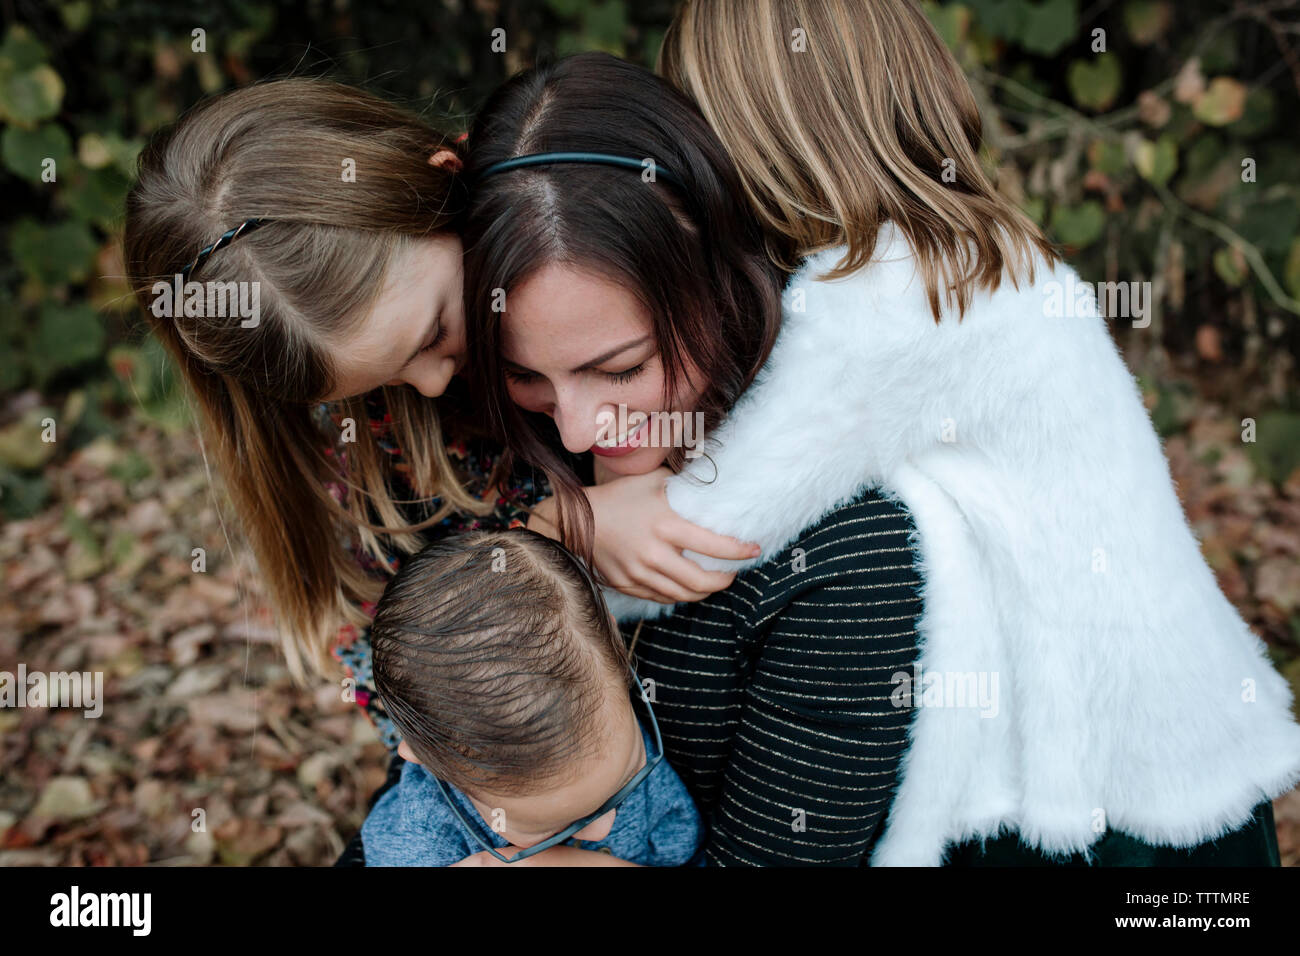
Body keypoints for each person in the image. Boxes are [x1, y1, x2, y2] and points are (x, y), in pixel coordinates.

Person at [593, 0, 1299, 865]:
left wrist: (559, 519)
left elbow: (705, 539)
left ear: (743, 137)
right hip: (1167, 750)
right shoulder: (981, 254)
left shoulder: (885, 298)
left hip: (1123, 806)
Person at [121, 77, 757, 760]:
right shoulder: (363, 445)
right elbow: (404, 697)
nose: (428, 384)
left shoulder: (575, 210)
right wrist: (551, 537)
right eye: (381, 382)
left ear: (446, 183)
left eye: (431, 335)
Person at [459, 51, 928, 866]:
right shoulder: (495, 456)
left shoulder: (849, 545)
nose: (573, 431)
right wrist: (547, 528)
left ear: (716, 281)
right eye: (527, 373)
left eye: (621, 368)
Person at [360, 530, 703, 867]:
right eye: (549, 828)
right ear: (428, 761)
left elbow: (687, 848)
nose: (603, 829)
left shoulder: (604, 728)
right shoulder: (419, 848)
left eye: (628, 781)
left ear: (616, 648)